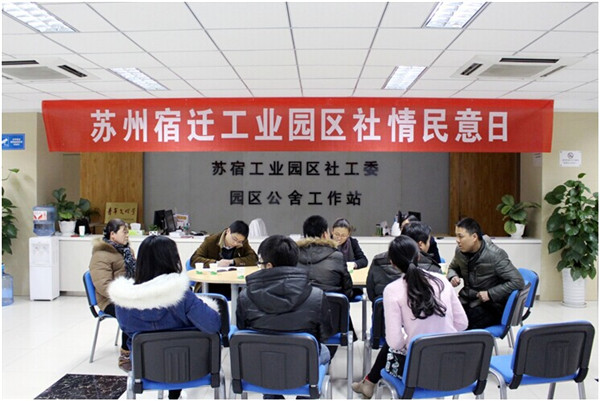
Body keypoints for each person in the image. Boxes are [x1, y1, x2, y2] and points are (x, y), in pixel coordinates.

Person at [108, 235, 221, 400]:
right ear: (172, 259)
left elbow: (127, 330)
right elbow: (213, 325)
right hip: (190, 366)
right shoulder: (182, 296)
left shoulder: (124, 300)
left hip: (145, 368)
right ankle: (175, 394)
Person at [236, 234, 333, 364]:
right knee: (325, 350)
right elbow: (325, 335)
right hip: (301, 366)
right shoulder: (316, 296)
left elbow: (243, 330)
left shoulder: (245, 296)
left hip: (259, 365)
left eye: (260, 263)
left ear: (269, 266)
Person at [385, 236, 467, 378]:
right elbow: (462, 323)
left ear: (392, 263)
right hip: (453, 369)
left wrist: (411, 338)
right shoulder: (441, 280)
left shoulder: (392, 290)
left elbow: (395, 342)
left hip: (417, 370)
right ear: (418, 256)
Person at [447, 217, 525, 329]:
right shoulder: (460, 251)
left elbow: (518, 281)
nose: (457, 240)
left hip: (490, 306)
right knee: (445, 316)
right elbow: (452, 267)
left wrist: (490, 293)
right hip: (468, 300)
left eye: (461, 236)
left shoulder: (495, 255)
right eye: (456, 236)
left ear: (474, 237)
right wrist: (453, 276)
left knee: (460, 325)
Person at [89, 218, 136, 372]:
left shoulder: (127, 251)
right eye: (124, 232)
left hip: (129, 295)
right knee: (131, 312)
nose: (127, 235)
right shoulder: (101, 255)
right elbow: (103, 286)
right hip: (109, 300)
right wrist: (125, 295)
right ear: (112, 234)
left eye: (127, 232)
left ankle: (141, 347)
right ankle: (125, 354)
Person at [190, 220, 258, 297]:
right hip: (211, 283)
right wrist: (216, 263)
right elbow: (194, 259)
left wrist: (232, 261)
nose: (236, 243)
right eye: (234, 239)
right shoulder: (211, 241)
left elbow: (254, 259)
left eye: (239, 241)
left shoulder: (242, 243)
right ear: (228, 231)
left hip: (232, 282)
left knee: (247, 294)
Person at [297, 215, 354, 300]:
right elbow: (347, 289)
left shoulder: (294, 255)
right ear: (325, 234)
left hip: (301, 306)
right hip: (331, 306)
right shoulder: (337, 256)